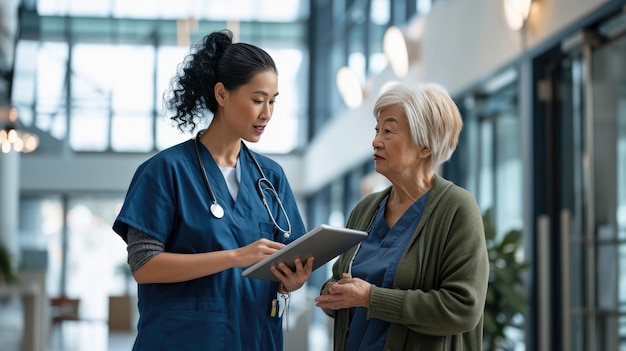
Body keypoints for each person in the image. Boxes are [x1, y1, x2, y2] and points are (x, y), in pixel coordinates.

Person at [112, 29, 313, 351]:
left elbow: (289, 258)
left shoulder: (271, 177)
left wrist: (294, 280)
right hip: (182, 340)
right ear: (222, 94)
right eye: (257, 100)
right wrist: (235, 257)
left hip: (255, 337)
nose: (267, 114)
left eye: (273, 102)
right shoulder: (166, 171)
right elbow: (144, 265)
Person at [315, 82, 489, 350]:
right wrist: (334, 293)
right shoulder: (365, 209)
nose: (375, 141)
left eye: (388, 131)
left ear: (424, 147)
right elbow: (343, 284)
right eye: (376, 130)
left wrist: (371, 298)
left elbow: (463, 308)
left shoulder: (457, 208)